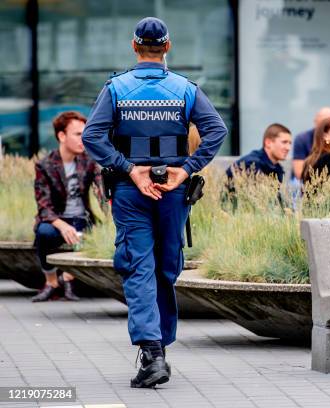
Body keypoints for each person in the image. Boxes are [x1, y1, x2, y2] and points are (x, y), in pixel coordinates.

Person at [82, 17, 227, 388]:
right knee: (165, 267)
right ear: (167, 46)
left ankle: (152, 352)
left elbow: (93, 136)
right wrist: (186, 169)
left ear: (135, 46)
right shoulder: (185, 89)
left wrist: (130, 170)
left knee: (139, 266)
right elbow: (216, 130)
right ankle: (157, 347)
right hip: (174, 189)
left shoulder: (116, 89)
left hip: (133, 192)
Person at [33, 111, 105, 302]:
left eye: (85, 133)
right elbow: (44, 206)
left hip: (82, 219)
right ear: (62, 136)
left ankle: (68, 278)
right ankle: (51, 282)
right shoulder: (45, 165)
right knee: (44, 232)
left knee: (92, 232)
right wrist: (63, 225)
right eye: (78, 134)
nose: (84, 139)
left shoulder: (89, 161)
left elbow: (101, 192)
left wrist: (110, 210)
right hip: (57, 220)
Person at [226, 123, 291, 183]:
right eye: (284, 142)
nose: (288, 148)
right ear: (268, 143)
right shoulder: (251, 164)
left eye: (290, 143)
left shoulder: (277, 168)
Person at [292, 107, 330, 180]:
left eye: (329, 124)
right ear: (315, 122)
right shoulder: (302, 139)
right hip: (310, 181)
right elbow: (299, 173)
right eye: (323, 123)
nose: (325, 127)